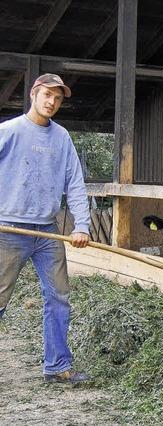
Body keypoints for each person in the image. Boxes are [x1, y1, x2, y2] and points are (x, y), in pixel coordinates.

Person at [0, 74, 91, 384]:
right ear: (33, 95)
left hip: (48, 232)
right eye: (47, 95)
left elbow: (75, 184)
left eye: (58, 98)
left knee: (59, 297)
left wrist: (82, 225)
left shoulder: (62, 138)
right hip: (9, 230)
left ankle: (57, 365)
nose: (52, 102)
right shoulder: (9, 132)